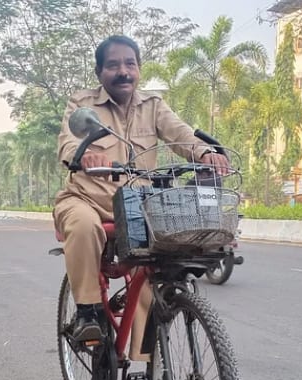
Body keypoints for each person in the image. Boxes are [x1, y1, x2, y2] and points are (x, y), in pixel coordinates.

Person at [54, 35, 229, 360]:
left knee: (158, 267)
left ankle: (150, 369)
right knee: (81, 227)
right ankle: (88, 312)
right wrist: (86, 153)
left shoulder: (153, 106)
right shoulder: (82, 104)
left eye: (129, 64)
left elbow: (181, 135)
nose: (123, 71)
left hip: (138, 205)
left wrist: (206, 154)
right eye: (113, 65)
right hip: (87, 200)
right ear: (99, 71)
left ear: (139, 69)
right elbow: (67, 142)